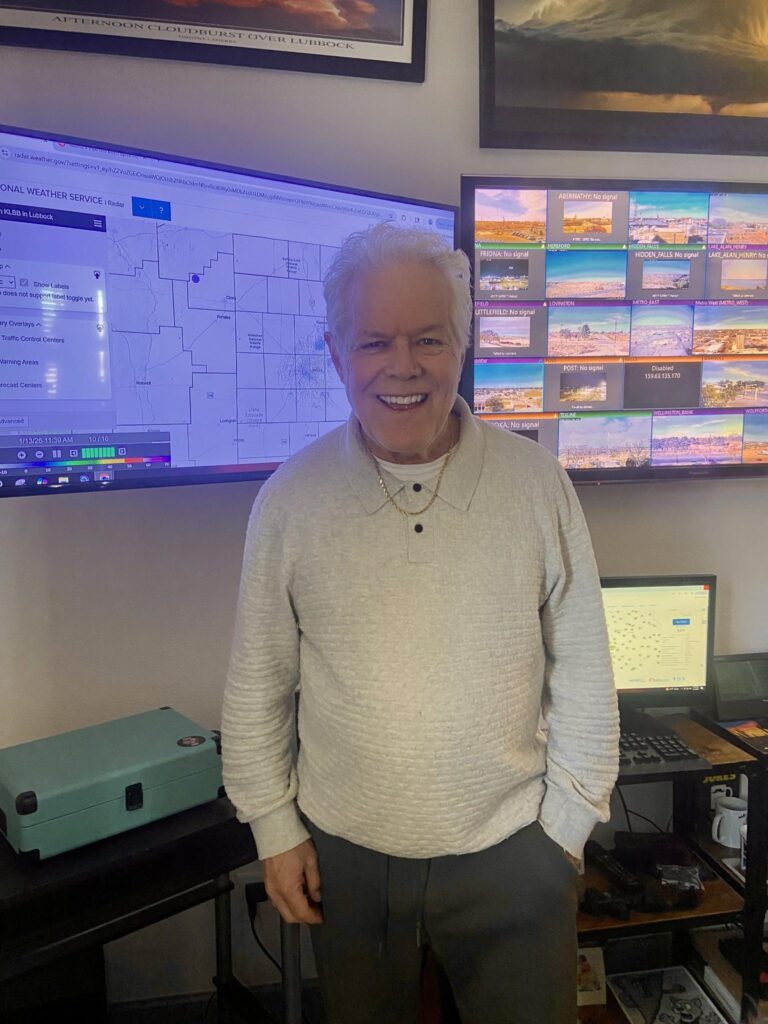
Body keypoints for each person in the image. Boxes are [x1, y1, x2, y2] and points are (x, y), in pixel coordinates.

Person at [221, 223, 619, 1024]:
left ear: (462, 348)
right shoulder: (290, 502)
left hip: (516, 852)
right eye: (374, 342)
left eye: (428, 339)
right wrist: (274, 829)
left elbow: (584, 668)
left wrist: (566, 830)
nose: (402, 367)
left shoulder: (538, 486)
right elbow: (258, 685)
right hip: (345, 860)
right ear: (336, 355)